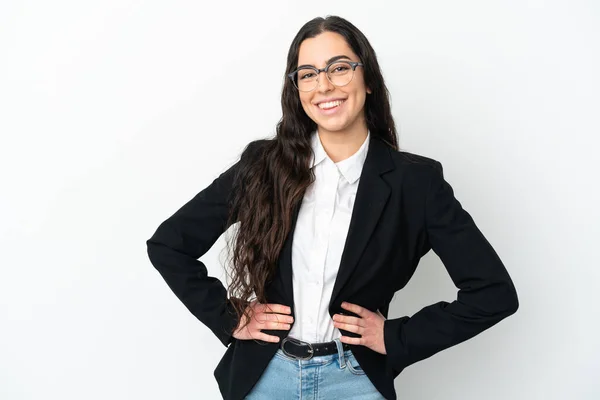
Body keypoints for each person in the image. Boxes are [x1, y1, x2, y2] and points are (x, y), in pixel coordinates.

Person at [146, 15, 519, 400]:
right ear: (297, 89)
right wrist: (230, 317)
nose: (324, 85)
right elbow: (169, 244)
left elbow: (493, 293)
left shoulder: (417, 183)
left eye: (339, 68)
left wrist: (397, 336)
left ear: (368, 79)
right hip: (265, 380)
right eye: (307, 74)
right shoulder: (262, 167)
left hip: (355, 381)